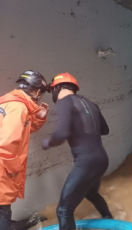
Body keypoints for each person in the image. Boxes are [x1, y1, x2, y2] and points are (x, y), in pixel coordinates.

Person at [41, 72, 112, 230]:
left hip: (86, 163)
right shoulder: (91, 104)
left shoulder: (64, 103)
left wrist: (47, 142)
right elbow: (105, 129)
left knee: (63, 210)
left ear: (57, 88)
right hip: (101, 160)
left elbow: (61, 134)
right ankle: (110, 219)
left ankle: (110, 220)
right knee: (91, 193)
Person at [0, 71, 49, 230]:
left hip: (3, 164)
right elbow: (7, 142)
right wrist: (13, 169)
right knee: (3, 209)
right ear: (36, 91)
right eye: (41, 93)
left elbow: (23, 129)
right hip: (3, 167)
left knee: (3, 207)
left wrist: (40, 116)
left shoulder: (8, 102)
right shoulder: (18, 107)